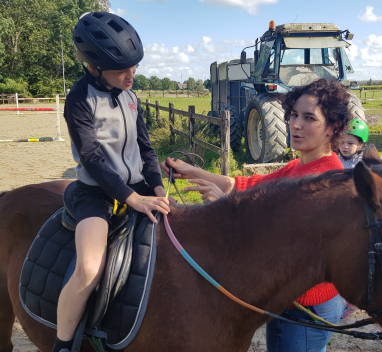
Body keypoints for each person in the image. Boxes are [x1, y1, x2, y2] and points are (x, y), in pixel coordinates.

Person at [161, 78, 351, 352]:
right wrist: (195, 172)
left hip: (304, 309)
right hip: (301, 300)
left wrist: (223, 208)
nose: (296, 125)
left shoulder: (321, 182)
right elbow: (253, 186)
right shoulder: (301, 166)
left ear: (333, 126)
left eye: (309, 118)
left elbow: (271, 240)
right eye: (294, 115)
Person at [52, 12, 170, 352]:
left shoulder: (131, 97)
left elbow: (146, 148)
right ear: (93, 67)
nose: (131, 74)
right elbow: (93, 159)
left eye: (134, 66)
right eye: (122, 69)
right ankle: (63, 344)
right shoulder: (79, 100)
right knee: (89, 269)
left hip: (142, 190)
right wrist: (132, 198)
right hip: (97, 195)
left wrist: (158, 189)